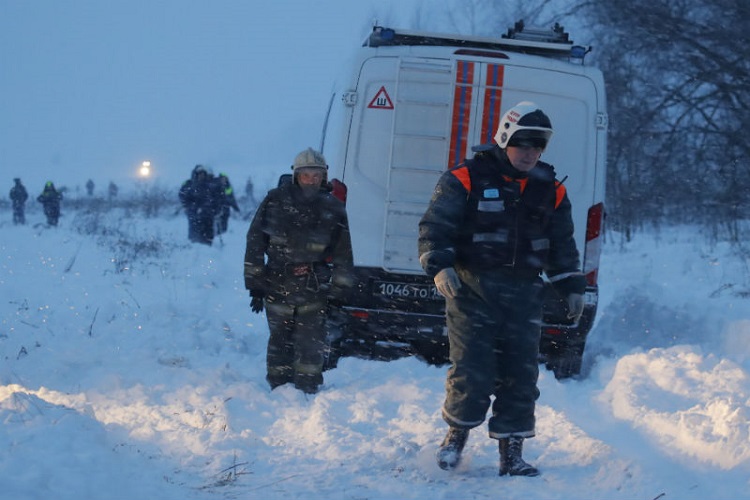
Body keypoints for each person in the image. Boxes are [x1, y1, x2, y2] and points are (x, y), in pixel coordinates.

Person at [418, 101, 586, 476]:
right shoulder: (465, 178)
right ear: (505, 139)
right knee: (472, 370)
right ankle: (455, 440)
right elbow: (435, 226)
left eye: (537, 146)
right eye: (522, 144)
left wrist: (572, 284)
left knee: (521, 374)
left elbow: (562, 244)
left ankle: (512, 455)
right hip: (472, 290)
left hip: (525, 294)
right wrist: (439, 265)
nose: (529, 153)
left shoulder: (550, 189)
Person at [244, 147, 354, 394]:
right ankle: (278, 388)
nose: (312, 180)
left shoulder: (333, 207)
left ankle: (307, 387)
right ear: (296, 175)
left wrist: (339, 292)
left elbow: (343, 253)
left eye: (317, 175)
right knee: (279, 339)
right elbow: (254, 242)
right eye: (306, 175)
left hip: (314, 286)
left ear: (324, 177)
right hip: (277, 283)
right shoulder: (275, 201)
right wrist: (255, 285)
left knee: (310, 342)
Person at [178, 165, 222, 245]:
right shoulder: (190, 184)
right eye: (199, 174)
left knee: (208, 232)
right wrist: (190, 207)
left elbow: (216, 199)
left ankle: (208, 246)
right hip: (194, 214)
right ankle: (195, 244)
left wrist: (216, 209)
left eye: (203, 174)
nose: (201, 176)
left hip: (208, 214)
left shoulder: (209, 185)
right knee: (195, 232)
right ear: (196, 174)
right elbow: (183, 196)